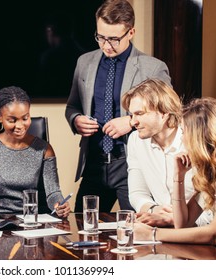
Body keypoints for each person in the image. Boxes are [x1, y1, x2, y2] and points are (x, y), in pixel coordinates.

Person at [65, 0, 171, 212]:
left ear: (131, 32)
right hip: (93, 161)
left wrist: (131, 121)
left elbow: (169, 114)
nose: (106, 45)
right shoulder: (84, 62)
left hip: (131, 164)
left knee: (135, 232)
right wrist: (76, 120)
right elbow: (72, 106)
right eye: (101, 37)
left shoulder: (153, 68)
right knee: (83, 230)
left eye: (113, 39)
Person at [134, 97, 216, 250]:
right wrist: (178, 176)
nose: (183, 138)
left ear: (200, 136)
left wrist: (152, 234)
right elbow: (183, 224)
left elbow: (215, 233)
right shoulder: (215, 171)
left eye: (185, 132)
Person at [0, 86, 70, 217]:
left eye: (25, 118)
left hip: (30, 222)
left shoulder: (44, 149)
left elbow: (53, 192)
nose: (20, 126)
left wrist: (59, 204)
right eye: (12, 120)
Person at [122, 79, 212, 227]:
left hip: (202, 231)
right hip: (164, 227)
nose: (133, 122)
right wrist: (154, 209)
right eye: (132, 115)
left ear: (164, 113)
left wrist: (175, 219)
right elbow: (137, 193)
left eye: (139, 114)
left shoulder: (195, 139)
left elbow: (214, 206)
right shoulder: (135, 141)